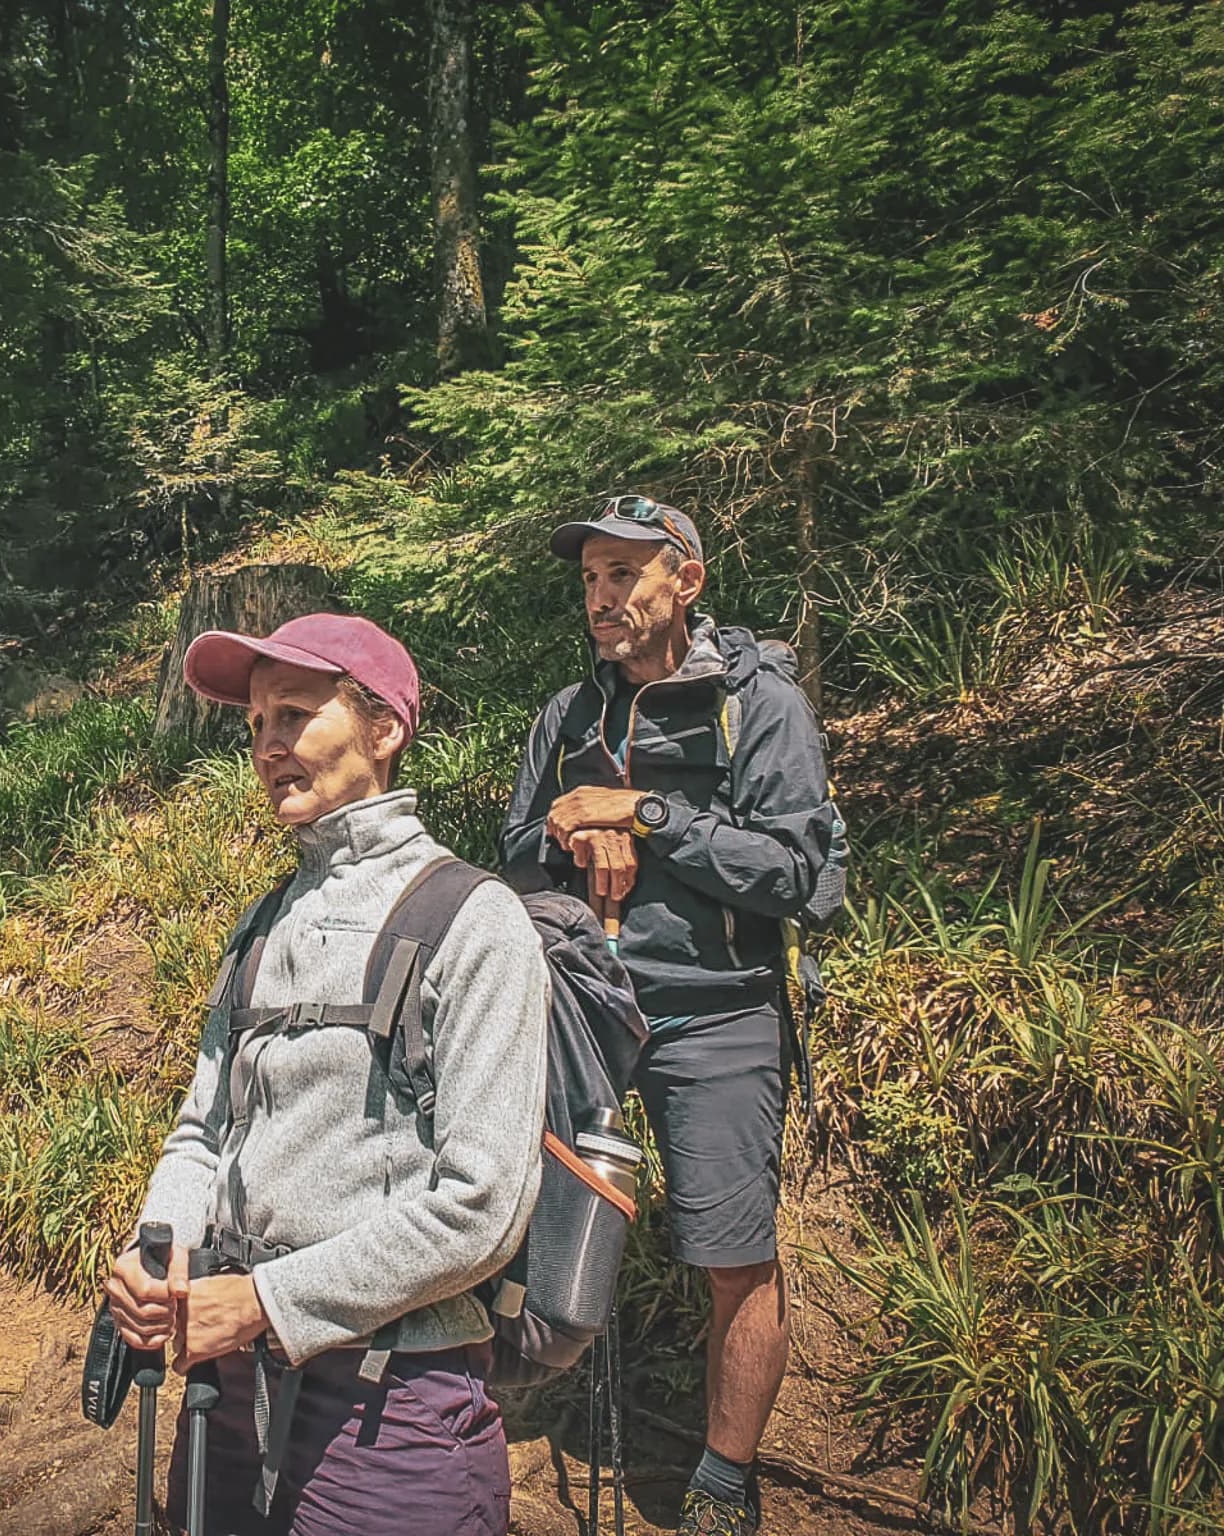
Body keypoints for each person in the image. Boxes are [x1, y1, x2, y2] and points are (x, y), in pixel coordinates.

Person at [105, 613, 551, 1536]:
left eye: (295, 715)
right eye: (256, 724)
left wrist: (267, 1302)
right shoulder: (263, 923)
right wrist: (162, 1251)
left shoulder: (474, 920)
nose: (268, 746)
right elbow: (203, 1130)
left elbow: (484, 1207)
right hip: (227, 1391)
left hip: (395, 1405)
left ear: (384, 729)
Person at [501, 495, 836, 1536]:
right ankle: (497, 1401)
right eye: (589, 579)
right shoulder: (567, 715)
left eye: (623, 574)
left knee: (732, 1254)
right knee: (509, 1215)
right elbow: (513, 858)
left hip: (718, 1014)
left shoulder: (760, 704)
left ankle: (724, 1482)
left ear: (684, 581)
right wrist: (569, 835)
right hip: (580, 1006)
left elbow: (795, 875)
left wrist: (647, 816)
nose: (600, 597)